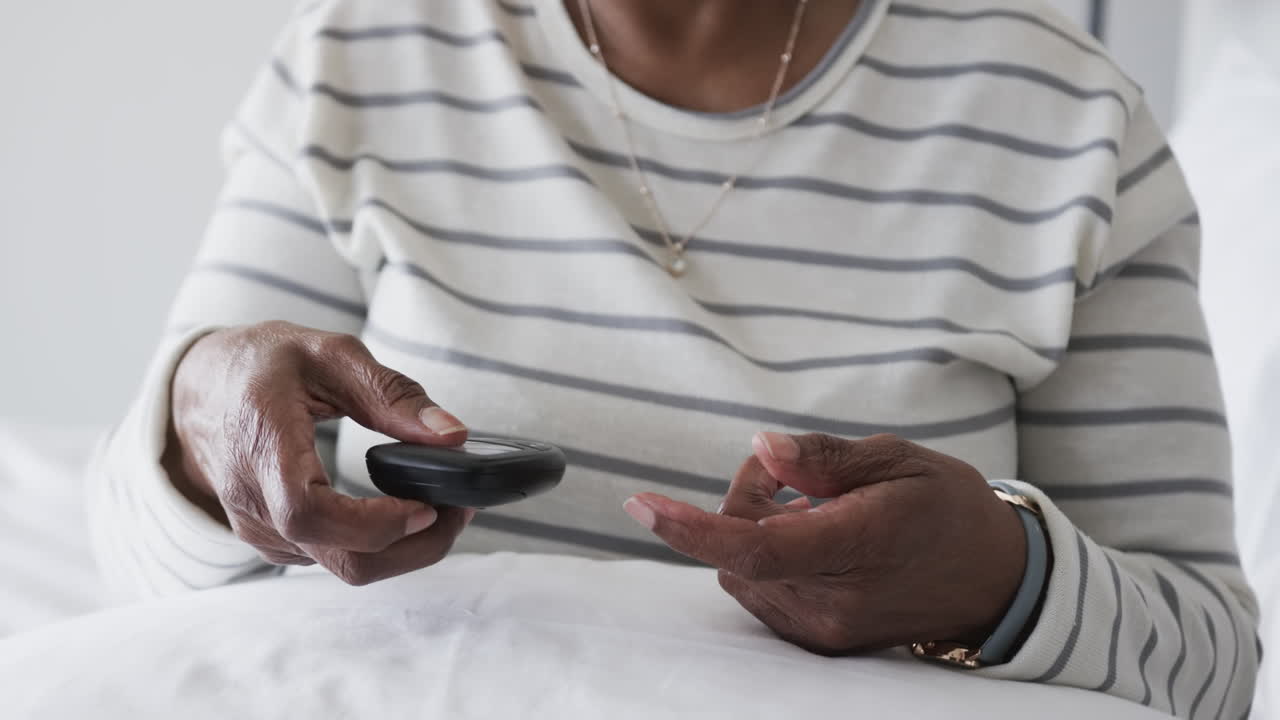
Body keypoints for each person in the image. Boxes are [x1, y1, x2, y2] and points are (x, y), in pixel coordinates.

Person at [87, 0, 1259, 716]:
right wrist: (199, 439)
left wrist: (1003, 583)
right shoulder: (364, 46)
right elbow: (140, 559)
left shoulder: (1066, 114)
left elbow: (1210, 665)